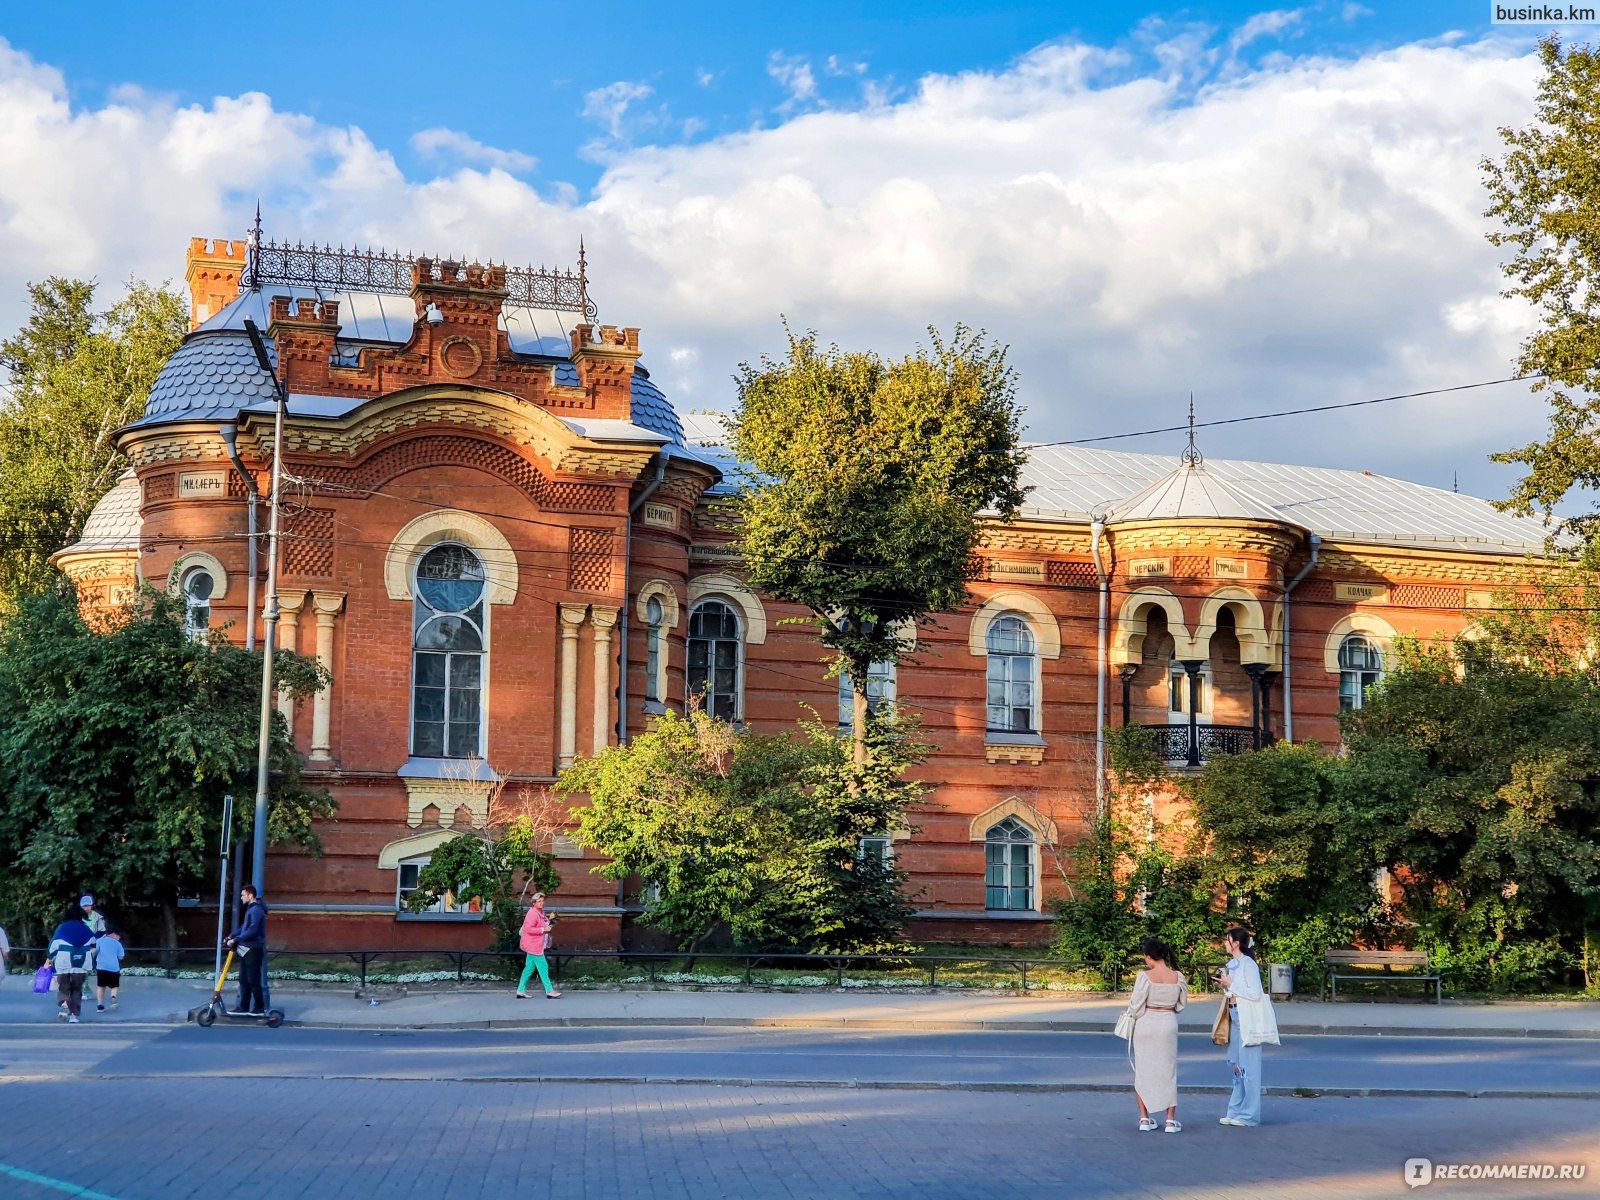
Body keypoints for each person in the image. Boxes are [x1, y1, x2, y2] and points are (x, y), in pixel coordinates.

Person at [1123, 935, 1188, 1133]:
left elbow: (1135, 1006)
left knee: (1142, 1071)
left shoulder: (1144, 977)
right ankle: (1170, 1120)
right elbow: (1181, 1005)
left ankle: (1145, 1118)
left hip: (1146, 1023)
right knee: (1168, 1071)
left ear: (1150, 956)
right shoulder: (1178, 977)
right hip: (1167, 1022)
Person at [1217, 926, 1279, 1127]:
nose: (1224, 943)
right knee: (1236, 1065)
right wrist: (1226, 986)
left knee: (1249, 1068)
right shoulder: (1234, 964)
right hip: (1236, 1014)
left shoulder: (1248, 964)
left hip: (1247, 1018)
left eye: (1227, 940)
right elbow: (1235, 992)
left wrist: (1231, 984)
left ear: (1236, 943)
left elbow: (1255, 993)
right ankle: (1235, 1111)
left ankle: (1250, 1115)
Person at [48, 904, 96, 1023]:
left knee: (64, 987)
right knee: (76, 989)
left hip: (64, 963)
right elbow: (94, 945)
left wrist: (50, 958)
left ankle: (64, 1003)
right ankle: (73, 1016)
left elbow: (52, 947)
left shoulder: (62, 928)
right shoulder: (86, 929)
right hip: (81, 965)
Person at [224, 883, 268, 1014]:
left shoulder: (257, 911)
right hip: (245, 948)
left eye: (243, 895)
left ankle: (259, 1007)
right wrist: (231, 935)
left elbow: (252, 930)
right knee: (244, 979)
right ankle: (243, 1007)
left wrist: (236, 940)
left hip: (253, 949)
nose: (241, 898)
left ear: (250, 895)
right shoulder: (251, 909)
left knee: (253, 979)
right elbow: (244, 927)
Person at [515, 893, 561, 1000]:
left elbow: (547, 926)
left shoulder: (539, 912)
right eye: (539, 901)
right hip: (533, 945)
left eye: (542, 901)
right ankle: (549, 990)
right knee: (543, 967)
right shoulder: (532, 914)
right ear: (534, 903)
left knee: (529, 969)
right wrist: (542, 929)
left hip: (535, 945)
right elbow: (528, 929)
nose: (542, 903)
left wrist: (552, 919)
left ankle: (520, 990)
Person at [95, 928, 125, 1011]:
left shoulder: (99, 941)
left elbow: (94, 951)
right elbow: (121, 957)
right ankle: (113, 996)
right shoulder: (117, 943)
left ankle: (100, 1005)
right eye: (119, 936)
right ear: (114, 934)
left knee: (101, 986)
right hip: (113, 967)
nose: (119, 938)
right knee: (114, 985)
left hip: (101, 967)